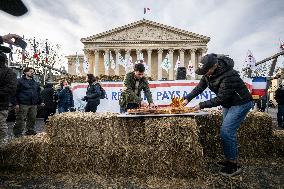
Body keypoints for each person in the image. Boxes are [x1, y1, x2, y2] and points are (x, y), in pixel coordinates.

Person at [182, 53, 253, 177]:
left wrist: (201, 105)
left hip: (240, 103)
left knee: (227, 132)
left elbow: (220, 98)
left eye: (207, 70)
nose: (205, 73)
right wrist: (187, 99)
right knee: (225, 132)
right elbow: (199, 88)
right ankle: (229, 159)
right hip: (228, 103)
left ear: (215, 66)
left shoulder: (229, 75)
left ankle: (234, 165)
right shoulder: (208, 73)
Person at [12, 67, 44, 137]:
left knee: (32, 118)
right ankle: (18, 133)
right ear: (25, 72)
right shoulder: (19, 81)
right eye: (30, 71)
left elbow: (38, 93)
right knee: (20, 119)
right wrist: (15, 103)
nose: (32, 73)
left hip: (33, 104)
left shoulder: (35, 83)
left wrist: (41, 101)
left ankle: (30, 130)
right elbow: (14, 92)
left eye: (33, 71)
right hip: (23, 104)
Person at [0, 43, 17, 142]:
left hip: (1, 105)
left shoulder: (8, 72)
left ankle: (3, 151)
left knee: (1, 129)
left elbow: (11, 88)